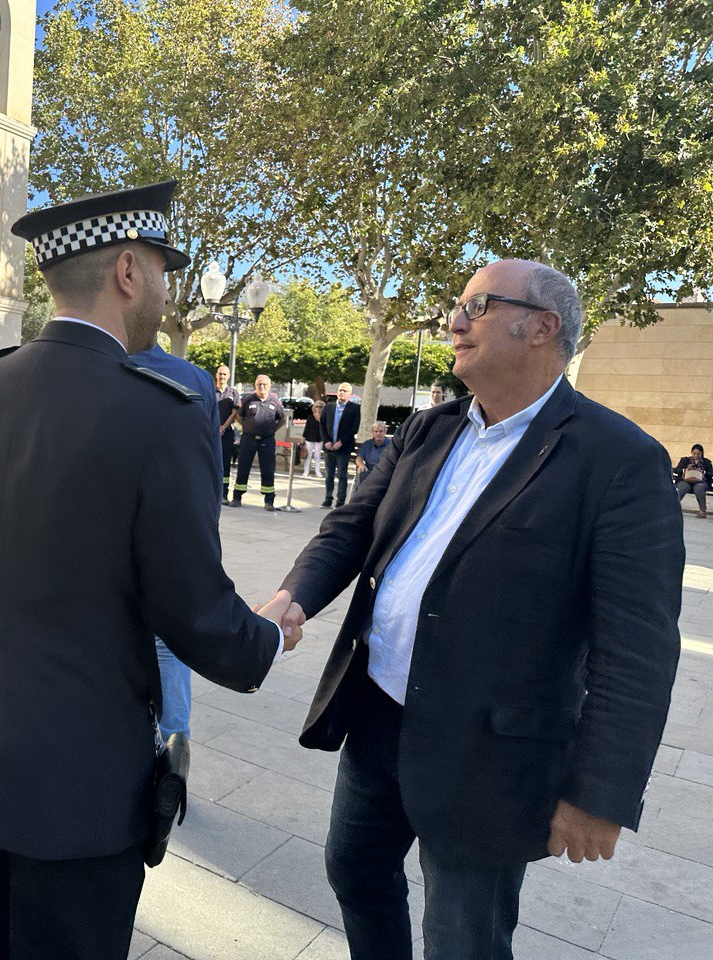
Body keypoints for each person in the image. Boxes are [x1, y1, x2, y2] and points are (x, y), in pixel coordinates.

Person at [0, 181, 288, 960]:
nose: (168, 290)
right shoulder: (162, 412)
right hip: (73, 782)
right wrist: (265, 640)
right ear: (127, 270)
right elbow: (191, 607)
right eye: (164, 269)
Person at [255, 260, 683, 960]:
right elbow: (352, 529)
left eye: (476, 306)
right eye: (457, 306)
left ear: (542, 327)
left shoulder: (618, 461)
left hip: (490, 754)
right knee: (354, 871)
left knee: (463, 938)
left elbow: (637, 647)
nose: (453, 322)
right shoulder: (429, 430)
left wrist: (600, 793)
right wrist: (292, 595)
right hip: (378, 716)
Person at [129, 336, 221, 739]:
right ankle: (173, 755)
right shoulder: (197, 378)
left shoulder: (104, 366)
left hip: (118, 535)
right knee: (169, 648)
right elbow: (211, 472)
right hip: (178, 536)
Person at [230, 375, 287, 511]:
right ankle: (237, 497)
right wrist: (246, 427)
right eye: (259, 384)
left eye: (264, 384)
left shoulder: (275, 402)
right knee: (243, 467)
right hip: (248, 439)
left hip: (267, 440)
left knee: (268, 469)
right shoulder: (248, 400)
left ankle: (269, 501)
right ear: (255, 386)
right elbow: (238, 416)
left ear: (269, 386)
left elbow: (282, 419)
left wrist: (272, 429)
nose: (262, 387)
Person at [321, 382, 359, 507]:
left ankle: (340, 501)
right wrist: (326, 440)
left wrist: (341, 441)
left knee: (342, 475)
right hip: (329, 448)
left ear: (349, 394)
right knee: (329, 475)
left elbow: (354, 428)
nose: (341, 392)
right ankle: (327, 498)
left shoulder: (354, 408)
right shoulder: (329, 407)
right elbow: (322, 425)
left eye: (344, 391)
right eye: (340, 390)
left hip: (343, 448)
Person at [214, 365, 240, 501]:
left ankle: (223, 494)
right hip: (211, 432)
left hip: (226, 433)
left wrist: (223, 428)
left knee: (225, 463)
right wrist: (214, 428)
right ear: (216, 375)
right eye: (220, 374)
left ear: (229, 376)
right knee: (209, 461)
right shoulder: (210, 391)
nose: (222, 377)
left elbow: (235, 413)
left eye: (225, 374)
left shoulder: (233, 393)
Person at [354, 421, 390, 486]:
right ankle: (360, 495)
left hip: (385, 472)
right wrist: (361, 465)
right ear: (372, 432)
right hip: (369, 471)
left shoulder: (391, 445)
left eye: (381, 431)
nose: (378, 433)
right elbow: (359, 458)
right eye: (376, 431)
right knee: (361, 473)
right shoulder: (367, 444)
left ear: (385, 432)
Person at [302, 399, 325, 478]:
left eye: (320, 407)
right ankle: (306, 471)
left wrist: (319, 419)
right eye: (316, 406)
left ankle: (317, 471)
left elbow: (324, 428)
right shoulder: (310, 417)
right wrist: (303, 437)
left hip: (319, 438)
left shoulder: (323, 417)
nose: (318, 408)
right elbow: (307, 428)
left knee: (317, 455)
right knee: (308, 455)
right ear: (314, 407)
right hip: (309, 437)